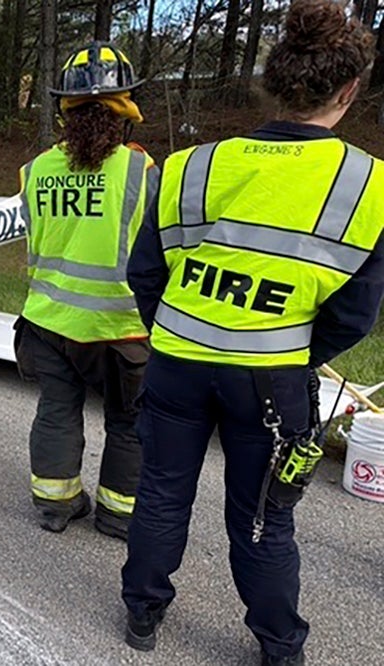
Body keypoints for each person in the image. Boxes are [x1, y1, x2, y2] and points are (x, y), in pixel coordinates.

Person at [120, 1, 384, 664]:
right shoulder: (367, 185)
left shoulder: (190, 165)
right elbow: (355, 314)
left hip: (177, 361)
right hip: (271, 379)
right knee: (264, 519)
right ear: (349, 91)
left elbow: (144, 272)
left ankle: (143, 613)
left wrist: (183, 331)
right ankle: (279, 647)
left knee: (160, 492)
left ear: (269, 81)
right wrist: (290, 350)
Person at [14, 42, 158, 540]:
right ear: (124, 111)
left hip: (48, 322)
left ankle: (56, 506)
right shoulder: (142, 171)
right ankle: (119, 516)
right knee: (128, 423)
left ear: (65, 111)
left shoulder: (34, 172)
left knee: (57, 410)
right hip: (122, 330)